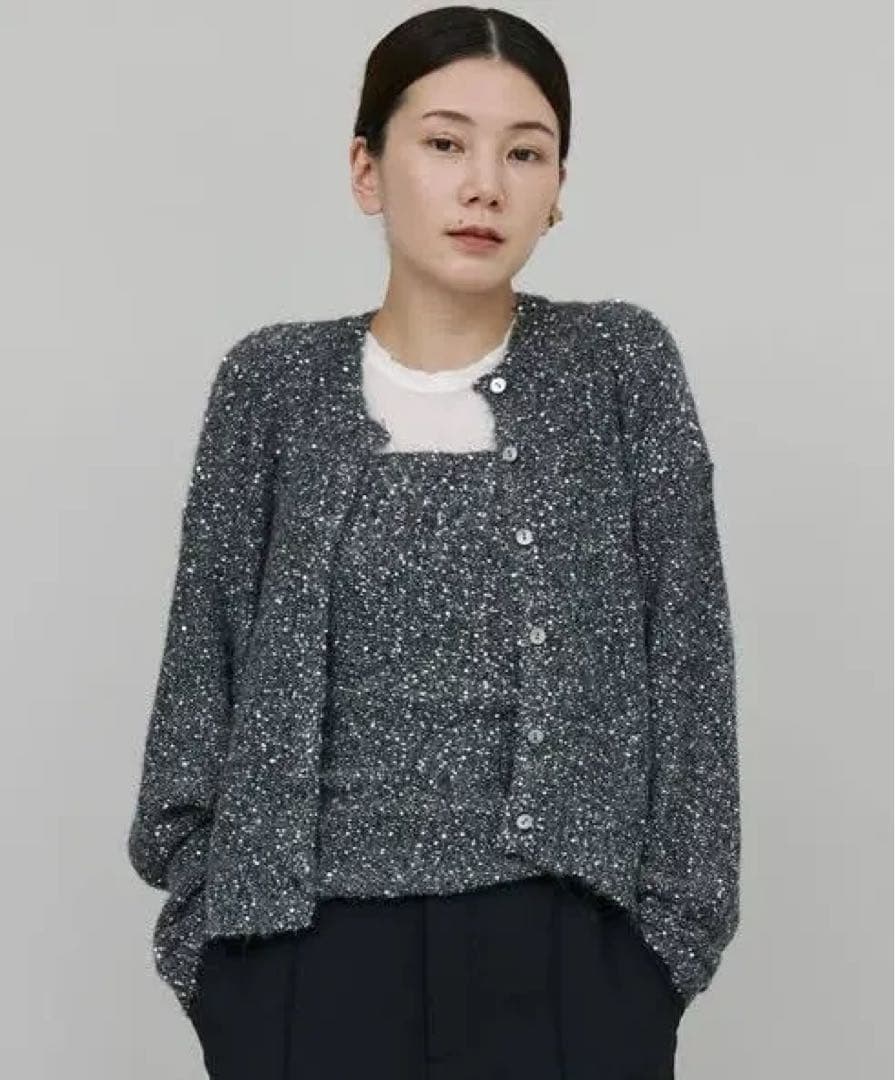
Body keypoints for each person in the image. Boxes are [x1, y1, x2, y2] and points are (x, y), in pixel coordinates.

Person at [126, 6, 741, 1078]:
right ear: (367, 170)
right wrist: (206, 938)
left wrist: (664, 951)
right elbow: (202, 662)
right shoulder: (272, 384)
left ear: (557, 188)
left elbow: (688, 659)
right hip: (296, 950)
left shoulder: (618, 367)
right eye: (445, 143)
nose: (484, 186)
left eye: (524, 153)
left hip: (569, 952)